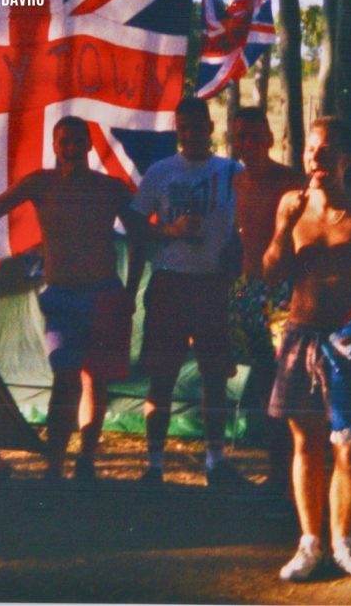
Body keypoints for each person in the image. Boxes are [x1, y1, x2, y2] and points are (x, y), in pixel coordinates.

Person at [0, 115, 143, 482]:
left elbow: (142, 235)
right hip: (61, 297)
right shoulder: (41, 184)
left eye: (80, 141)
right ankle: (55, 464)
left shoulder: (110, 189)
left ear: (91, 146)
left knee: (96, 380)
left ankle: (86, 462)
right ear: (55, 146)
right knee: (65, 379)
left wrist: (130, 290)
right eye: (65, 142)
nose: (73, 149)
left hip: (103, 293)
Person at [264, 116, 351, 581]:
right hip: (300, 336)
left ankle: (344, 544)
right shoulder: (291, 206)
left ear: (344, 158)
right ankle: (309, 544)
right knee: (306, 443)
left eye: (324, 151)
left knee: (349, 445)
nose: (315, 159)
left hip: (349, 343)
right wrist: (283, 226)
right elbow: (271, 271)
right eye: (309, 151)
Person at [130, 96, 249, 492]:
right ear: (176, 130)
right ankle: (154, 464)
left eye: (198, 126)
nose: (191, 134)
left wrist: (239, 248)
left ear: (211, 128)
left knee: (215, 375)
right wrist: (167, 231)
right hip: (170, 282)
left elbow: (250, 219)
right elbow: (134, 223)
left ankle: (215, 461)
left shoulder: (232, 171)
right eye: (183, 127)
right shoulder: (161, 172)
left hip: (214, 283)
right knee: (161, 375)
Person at [228, 106, 305, 517]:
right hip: (247, 293)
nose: (249, 144)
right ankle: (276, 478)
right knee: (262, 386)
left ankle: (298, 478)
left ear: (271, 139)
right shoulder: (236, 181)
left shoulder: (292, 183)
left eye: (256, 136)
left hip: (283, 294)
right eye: (241, 136)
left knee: (288, 388)